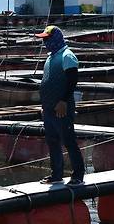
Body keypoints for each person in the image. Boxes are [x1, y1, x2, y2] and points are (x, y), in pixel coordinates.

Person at [35, 25, 85, 185]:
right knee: (52, 140)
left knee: (68, 140)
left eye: (47, 39)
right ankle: (56, 174)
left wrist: (63, 101)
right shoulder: (51, 57)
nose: (45, 42)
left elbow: (72, 81)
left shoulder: (67, 56)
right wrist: (44, 105)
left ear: (55, 38)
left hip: (62, 107)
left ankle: (78, 175)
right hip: (49, 108)